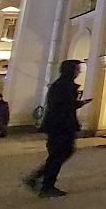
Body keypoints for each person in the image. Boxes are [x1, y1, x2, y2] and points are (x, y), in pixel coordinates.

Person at [25, 59, 90, 197]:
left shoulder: (61, 85)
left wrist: (78, 103)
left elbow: (63, 104)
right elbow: (62, 106)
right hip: (60, 126)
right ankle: (46, 186)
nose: (79, 72)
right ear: (71, 70)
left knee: (59, 154)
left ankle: (39, 179)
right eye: (77, 69)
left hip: (59, 125)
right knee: (59, 154)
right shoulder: (64, 86)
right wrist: (76, 104)